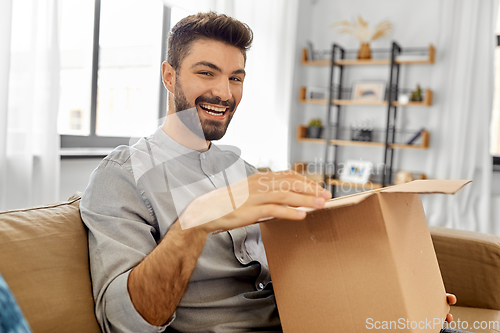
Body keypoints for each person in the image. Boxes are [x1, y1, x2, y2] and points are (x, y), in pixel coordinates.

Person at [81, 11, 460, 333]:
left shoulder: (244, 172)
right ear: (169, 76)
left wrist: (395, 297)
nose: (225, 94)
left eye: (235, 77)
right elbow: (125, 322)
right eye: (206, 73)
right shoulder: (122, 175)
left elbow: (300, 273)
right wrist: (195, 223)